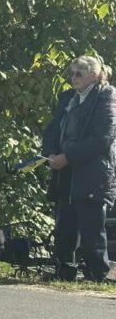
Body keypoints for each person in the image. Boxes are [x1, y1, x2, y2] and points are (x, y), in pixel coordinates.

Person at [43, 56, 115, 282]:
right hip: (65, 171)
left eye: (79, 74)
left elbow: (102, 139)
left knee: (92, 228)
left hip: (92, 172)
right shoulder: (68, 98)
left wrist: (69, 156)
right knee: (65, 224)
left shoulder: (106, 96)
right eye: (72, 73)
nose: (73, 78)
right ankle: (64, 271)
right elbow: (53, 129)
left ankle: (96, 275)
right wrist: (51, 153)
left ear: (94, 75)